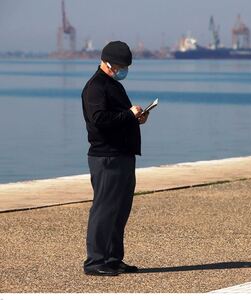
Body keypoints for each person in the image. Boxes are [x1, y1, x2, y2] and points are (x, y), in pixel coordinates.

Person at [81, 41, 148, 276]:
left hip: (123, 156)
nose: (123, 70)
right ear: (107, 63)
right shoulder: (96, 87)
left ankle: (112, 258)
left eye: (125, 66)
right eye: (120, 66)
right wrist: (128, 115)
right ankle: (95, 262)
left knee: (120, 210)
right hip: (106, 157)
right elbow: (99, 119)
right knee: (104, 210)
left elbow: (118, 117)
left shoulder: (113, 85)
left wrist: (135, 118)